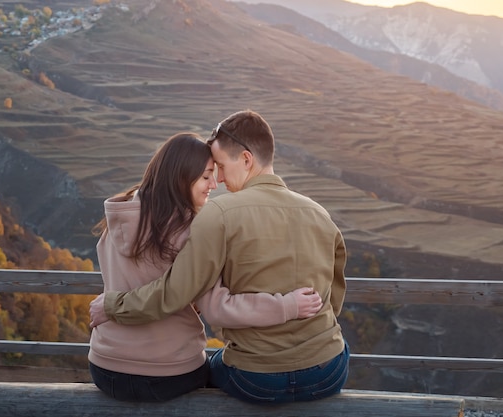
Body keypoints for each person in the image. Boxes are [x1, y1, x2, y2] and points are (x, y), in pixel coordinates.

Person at [90, 111, 349, 404]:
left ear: (247, 160)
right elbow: (335, 294)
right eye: (209, 175)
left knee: (218, 364)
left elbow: (183, 295)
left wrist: (112, 305)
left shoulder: (212, 215)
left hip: (253, 377)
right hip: (327, 371)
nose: (219, 181)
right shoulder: (320, 213)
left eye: (220, 168)